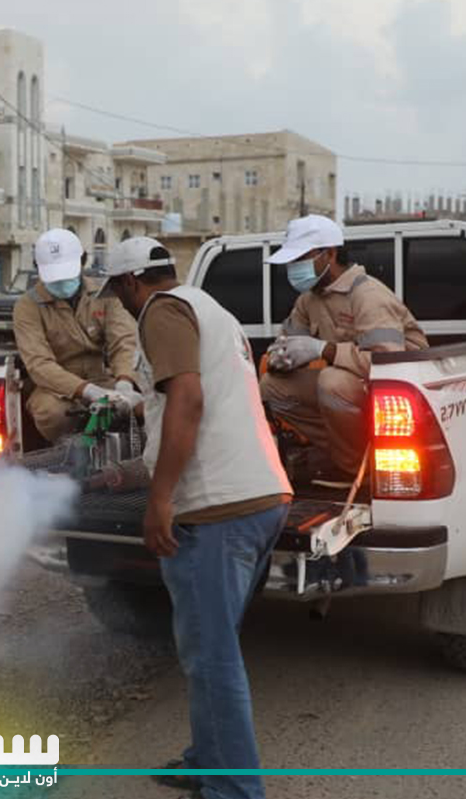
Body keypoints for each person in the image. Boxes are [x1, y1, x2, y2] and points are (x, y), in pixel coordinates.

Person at [97, 235, 292, 799]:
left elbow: (188, 399)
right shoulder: (211, 309)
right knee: (209, 646)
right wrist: (143, 413)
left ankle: (234, 788)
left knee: (212, 656)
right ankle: (208, 761)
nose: (119, 302)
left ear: (130, 282)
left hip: (217, 509)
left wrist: (160, 499)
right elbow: (188, 400)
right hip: (262, 496)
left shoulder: (161, 312)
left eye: (117, 292)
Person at [261, 215, 428, 480]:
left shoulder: (367, 295)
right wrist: (279, 358)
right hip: (356, 392)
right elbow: (287, 342)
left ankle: (354, 469)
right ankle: (340, 453)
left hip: (398, 395)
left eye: (300, 259)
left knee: (332, 382)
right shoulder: (308, 300)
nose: (293, 267)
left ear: (330, 253)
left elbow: (391, 363)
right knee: (272, 387)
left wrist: (324, 350)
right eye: (291, 261)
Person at [11, 227, 141, 442]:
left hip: (103, 380)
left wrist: (124, 381)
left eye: (67, 274)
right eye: (55, 276)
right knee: (52, 413)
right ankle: (67, 452)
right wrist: (86, 391)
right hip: (54, 388)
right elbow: (39, 364)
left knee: (144, 404)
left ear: (83, 261)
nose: (61, 282)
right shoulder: (27, 306)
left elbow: (123, 341)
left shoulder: (105, 295)